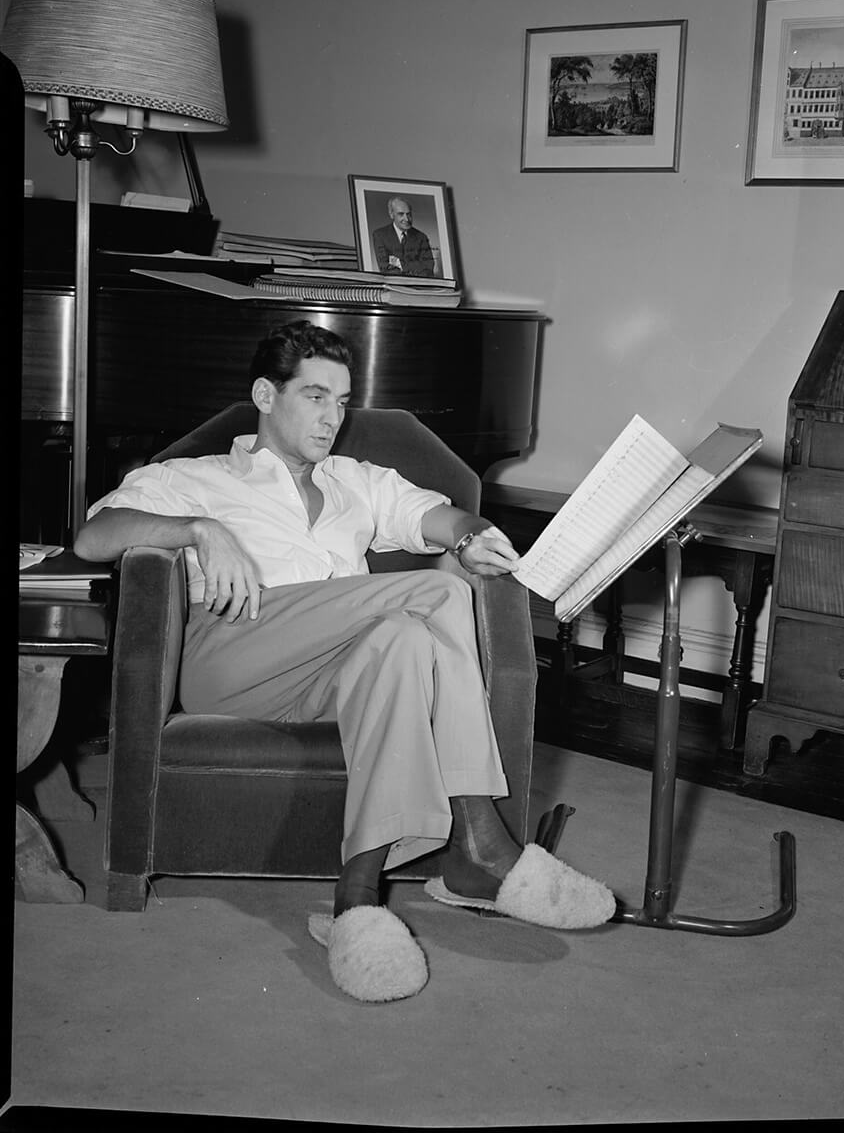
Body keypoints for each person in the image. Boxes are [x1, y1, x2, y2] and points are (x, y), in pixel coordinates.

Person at [74, 321, 615, 1003]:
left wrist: (475, 536)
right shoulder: (198, 479)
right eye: (315, 396)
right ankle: (481, 843)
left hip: (334, 673)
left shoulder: (356, 481)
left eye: (342, 400)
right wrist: (199, 530)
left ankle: (354, 901)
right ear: (265, 395)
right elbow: (96, 536)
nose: (332, 417)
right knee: (434, 591)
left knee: (405, 642)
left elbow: (438, 518)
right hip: (234, 659)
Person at [371, 196, 437, 277]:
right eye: (401, 214)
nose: (406, 219)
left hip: (418, 287)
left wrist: (401, 265)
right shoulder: (380, 235)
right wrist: (414, 266)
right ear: (391, 214)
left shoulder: (421, 237)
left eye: (408, 214)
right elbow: (385, 268)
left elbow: (428, 267)